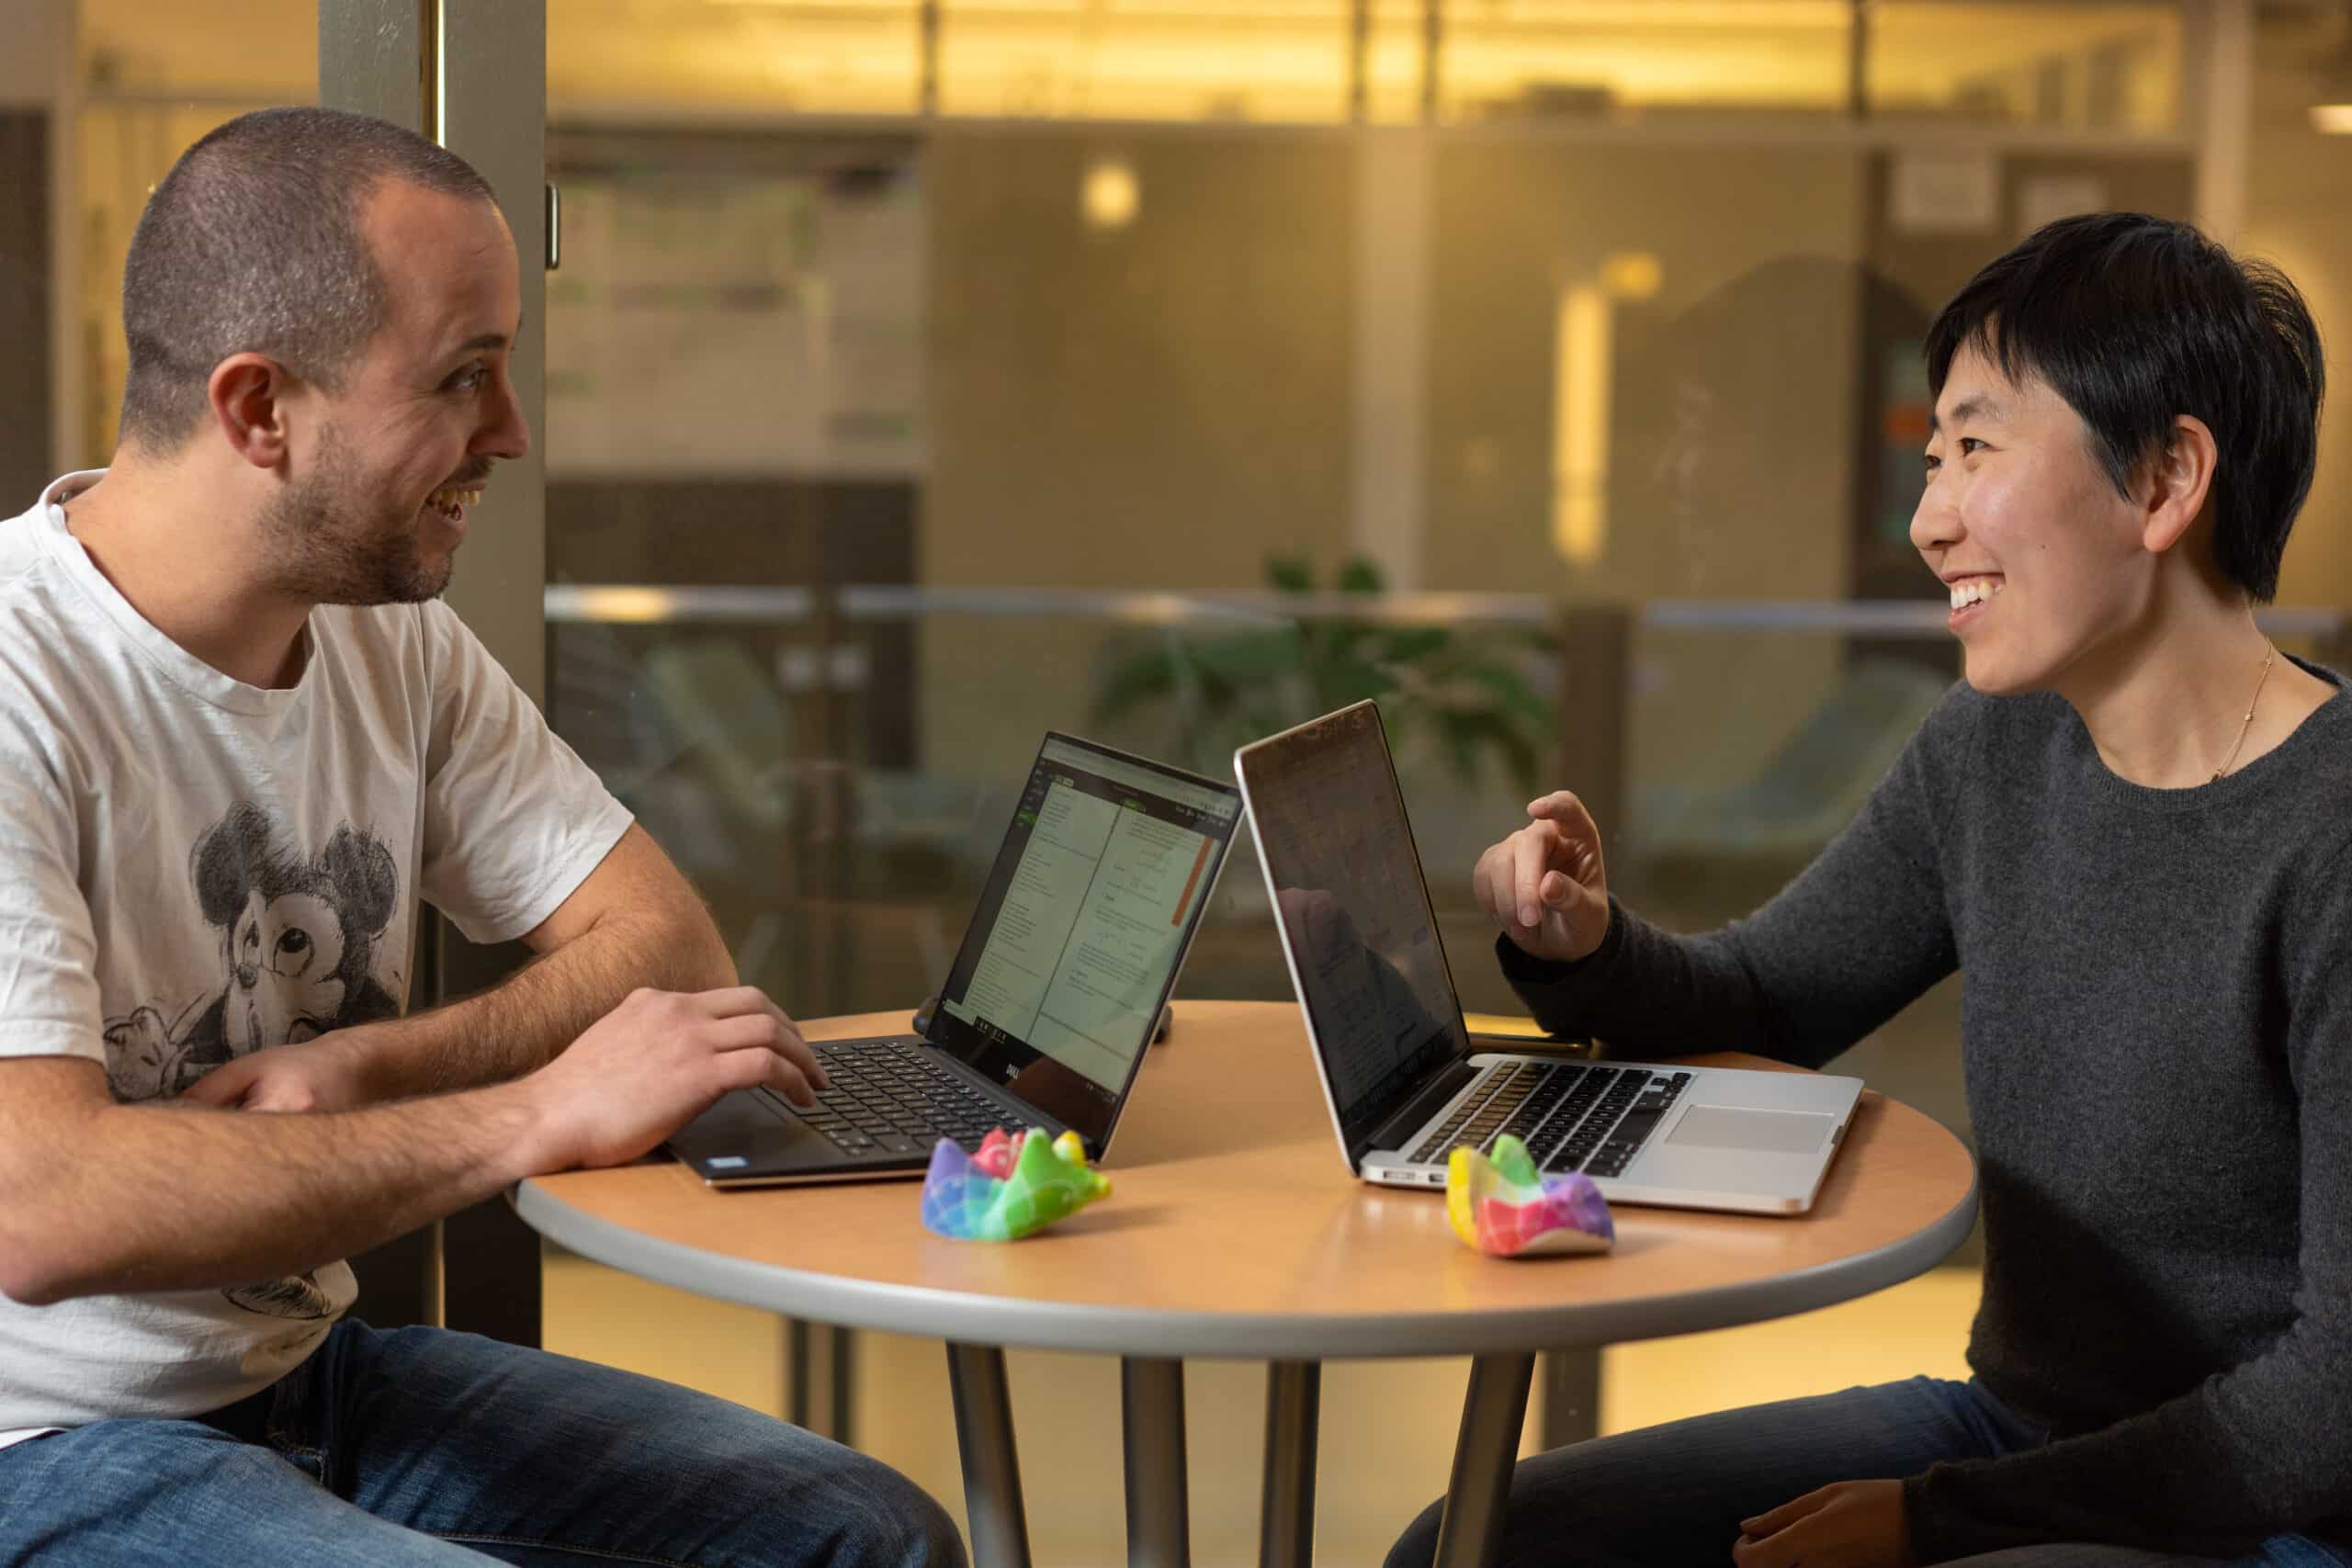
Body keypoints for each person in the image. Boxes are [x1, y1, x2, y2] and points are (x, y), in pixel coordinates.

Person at [0, 107, 963, 1566]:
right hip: (43, 1447)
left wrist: (370, 1064)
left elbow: (662, 950)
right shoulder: (19, 683)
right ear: (260, 410)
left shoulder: (394, 649)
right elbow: (44, 1205)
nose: (509, 435)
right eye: (464, 380)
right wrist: (532, 1110)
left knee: (859, 1536)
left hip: (306, 1382)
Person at [1390, 211, 2352, 1566]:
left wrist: (1936, 1524)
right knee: (1478, 1544)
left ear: (2165, 480)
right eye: (1932, 455)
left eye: (1975, 449)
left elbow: (2330, 1407)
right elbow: (1768, 996)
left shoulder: (2331, 839)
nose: (1927, 518)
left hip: (2276, 1520)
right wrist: (1586, 946)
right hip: (2023, 1434)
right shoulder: (1997, 748)